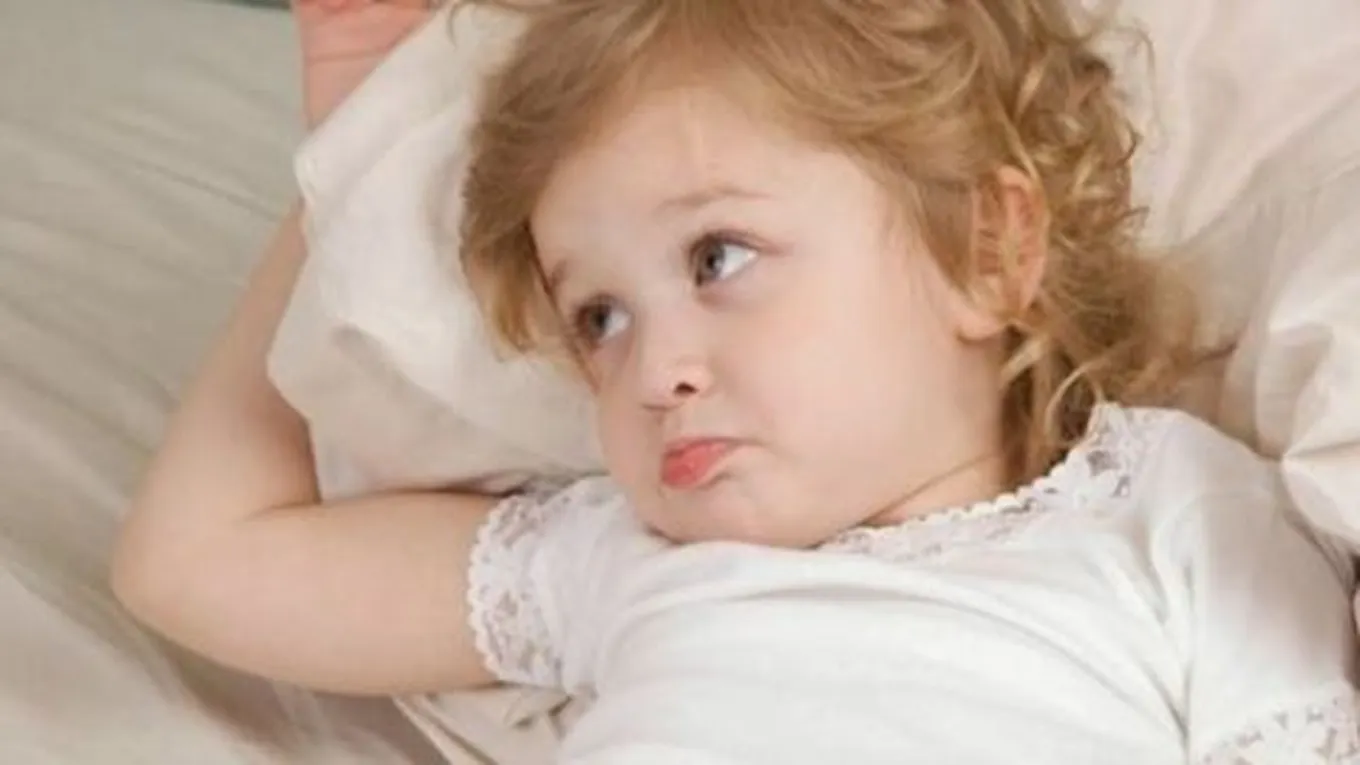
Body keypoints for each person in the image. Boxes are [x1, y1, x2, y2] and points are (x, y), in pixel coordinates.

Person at [111, 0, 1360, 762]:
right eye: (598, 319)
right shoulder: (620, 553)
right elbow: (194, 563)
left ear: (985, 250)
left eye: (719, 258)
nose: (654, 372)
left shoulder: (1173, 508)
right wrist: (346, 173)